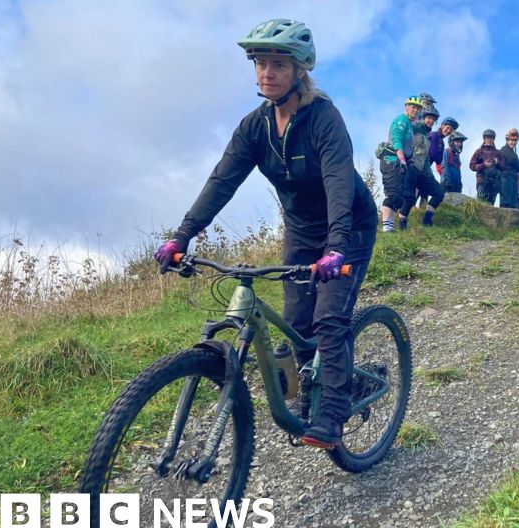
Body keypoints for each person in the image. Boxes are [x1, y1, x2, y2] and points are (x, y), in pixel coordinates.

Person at [153, 19, 377, 449]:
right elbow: (222, 181)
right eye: (260, 63)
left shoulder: (324, 119)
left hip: (348, 226)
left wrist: (336, 247)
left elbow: (337, 183)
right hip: (300, 230)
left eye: (277, 64)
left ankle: (332, 414)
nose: (266, 73)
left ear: (299, 70)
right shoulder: (254, 127)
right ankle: (322, 389)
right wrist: (182, 236)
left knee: (328, 319)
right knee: (296, 323)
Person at [377, 95, 422, 232]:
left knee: (400, 196)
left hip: (401, 162)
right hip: (391, 158)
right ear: (406, 107)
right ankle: (386, 227)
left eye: (418, 108)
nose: (415, 110)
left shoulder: (409, 125)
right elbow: (397, 141)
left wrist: (409, 160)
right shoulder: (401, 120)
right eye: (413, 107)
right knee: (393, 193)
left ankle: (389, 227)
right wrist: (402, 160)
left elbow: (409, 146)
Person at [403, 105, 445, 227]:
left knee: (438, 193)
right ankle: (402, 224)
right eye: (429, 118)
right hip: (411, 167)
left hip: (422, 171)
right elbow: (405, 127)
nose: (431, 121)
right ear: (424, 117)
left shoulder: (428, 135)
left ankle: (426, 221)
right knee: (409, 197)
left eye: (433, 119)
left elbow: (426, 158)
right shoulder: (416, 126)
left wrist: (429, 174)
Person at [470, 129, 503, 205]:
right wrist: (483, 165)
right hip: (481, 180)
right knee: (481, 204)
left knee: (491, 205)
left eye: (491, 138)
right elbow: (471, 165)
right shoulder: (479, 151)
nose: (489, 140)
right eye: (487, 138)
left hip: (494, 182)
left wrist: (497, 162)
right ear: (484, 139)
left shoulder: (498, 152)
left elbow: (503, 167)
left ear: (493, 139)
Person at [498, 128, 519, 209]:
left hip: (513, 178)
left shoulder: (513, 153)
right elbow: (515, 162)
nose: (513, 142)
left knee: (513, 204)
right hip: (506, 178)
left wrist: (518, 164)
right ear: (507, 140)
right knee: (505, 202)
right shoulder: (504, 150)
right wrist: (518, 163)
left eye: (515, 141)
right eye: (511, 140)